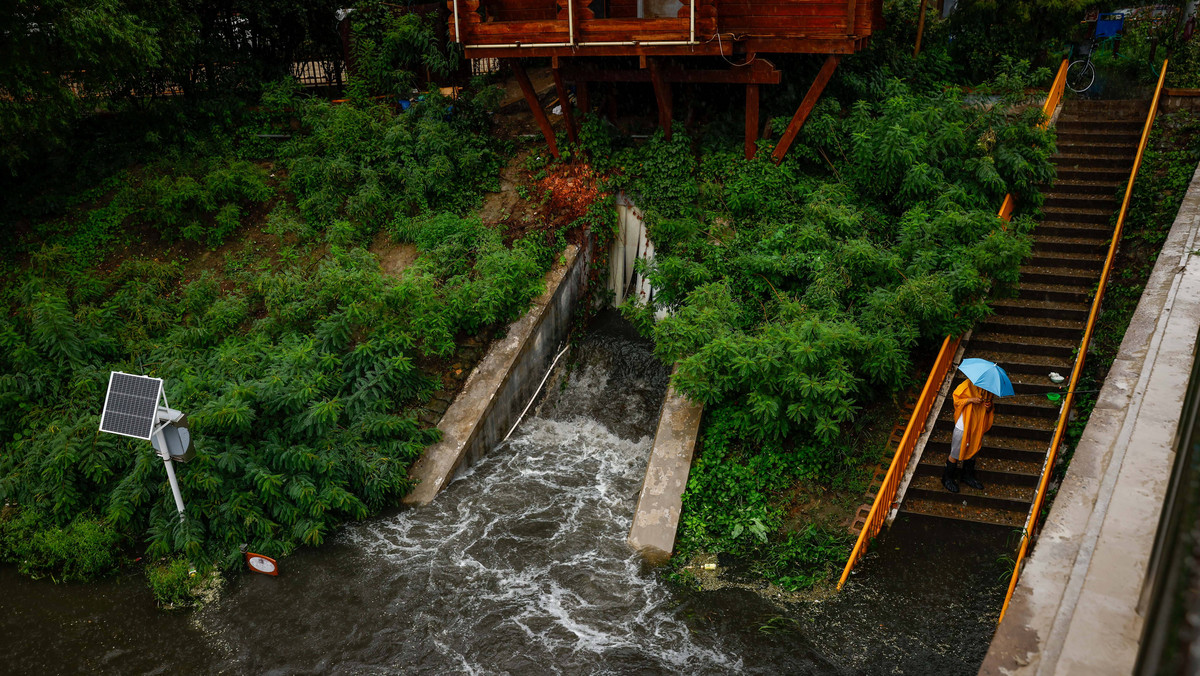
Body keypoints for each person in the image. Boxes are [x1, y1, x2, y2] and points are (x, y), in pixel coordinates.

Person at [942, 379, 994, 493]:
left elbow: (989, 409)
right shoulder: (967, 385)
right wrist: (971, 400)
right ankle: (947, 478)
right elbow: (956, 400)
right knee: (955, 452)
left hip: (977, 424)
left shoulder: (988, 390)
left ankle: (967, 476)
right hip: (964, 424)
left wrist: (988, 406)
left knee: (973, 450)